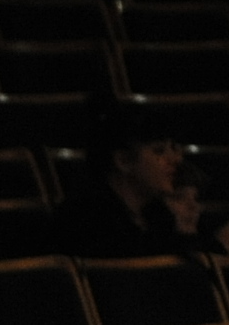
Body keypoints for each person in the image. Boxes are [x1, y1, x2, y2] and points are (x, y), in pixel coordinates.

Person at [53, 104, 193, 258]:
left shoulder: (160, 214)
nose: (176, 159)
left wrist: (186, 227)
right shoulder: (84, 219)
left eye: (173, 149)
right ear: (123, 161)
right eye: (159, 151)